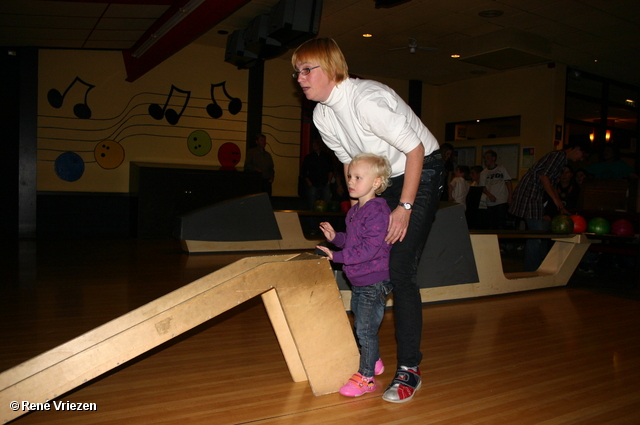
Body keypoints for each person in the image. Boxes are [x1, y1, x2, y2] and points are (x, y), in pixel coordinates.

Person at [292, 37, 444, 403]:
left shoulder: (367, 101)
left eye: (307, 69)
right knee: (369, 257)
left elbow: (415, 149)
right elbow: (350, 164)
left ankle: (410, 368)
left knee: (401, 267)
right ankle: (370, 352)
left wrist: (404, 208)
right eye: (296, 72)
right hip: (379, 178)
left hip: (418, 171)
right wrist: (356, 212)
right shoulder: (322, 115)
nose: (300, 78)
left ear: (330, 68)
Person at [316, 153, 393, 397]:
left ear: (376, 183)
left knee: (365, 330)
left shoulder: (377, 211)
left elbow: (370, 249)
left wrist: (336, 257)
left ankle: (367, 377)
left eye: (358, 177)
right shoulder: (355, 210)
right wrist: (335, 238)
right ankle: (376, 361)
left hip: (374, 281)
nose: (351, 181)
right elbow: (353, 241)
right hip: (360, 281)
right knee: (363, 325)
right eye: (350, 176)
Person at [508, 140, 590, 271]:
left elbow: (548, 181)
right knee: (536, 235)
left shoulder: (560, 159)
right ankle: (533, 269)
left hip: (533, 195)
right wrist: (557, 200)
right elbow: (544, 177)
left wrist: (560, 206)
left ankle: (539, 266)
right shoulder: (558, 156)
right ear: (577, 148)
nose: (579, 159)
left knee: (539, 234)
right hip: (531, 194)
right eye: (582, 155)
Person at [479, 150, 513, 229]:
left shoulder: (501, 169)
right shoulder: (484, 173)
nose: (485, 159)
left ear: (493, 158)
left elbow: (508, 182)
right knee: (492, 223)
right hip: (491, 201)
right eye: (485, 158)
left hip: (502, 199)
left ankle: (502, 239)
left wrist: (510, 196)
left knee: (501, 222)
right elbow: (482, 187)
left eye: (488, 157)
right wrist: (490, 195)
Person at [301, 138, 334, 209]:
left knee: (326, 204)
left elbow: (331, 170)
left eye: (316, 143)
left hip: (324, 183)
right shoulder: (309, 157)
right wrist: (309, 182)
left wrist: (328, 181)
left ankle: (326, 219)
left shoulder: (327, 157)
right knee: (312, 204)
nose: (315, 145)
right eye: (314, 144)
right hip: (313, 183)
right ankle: (312, 219)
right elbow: (304, 171)